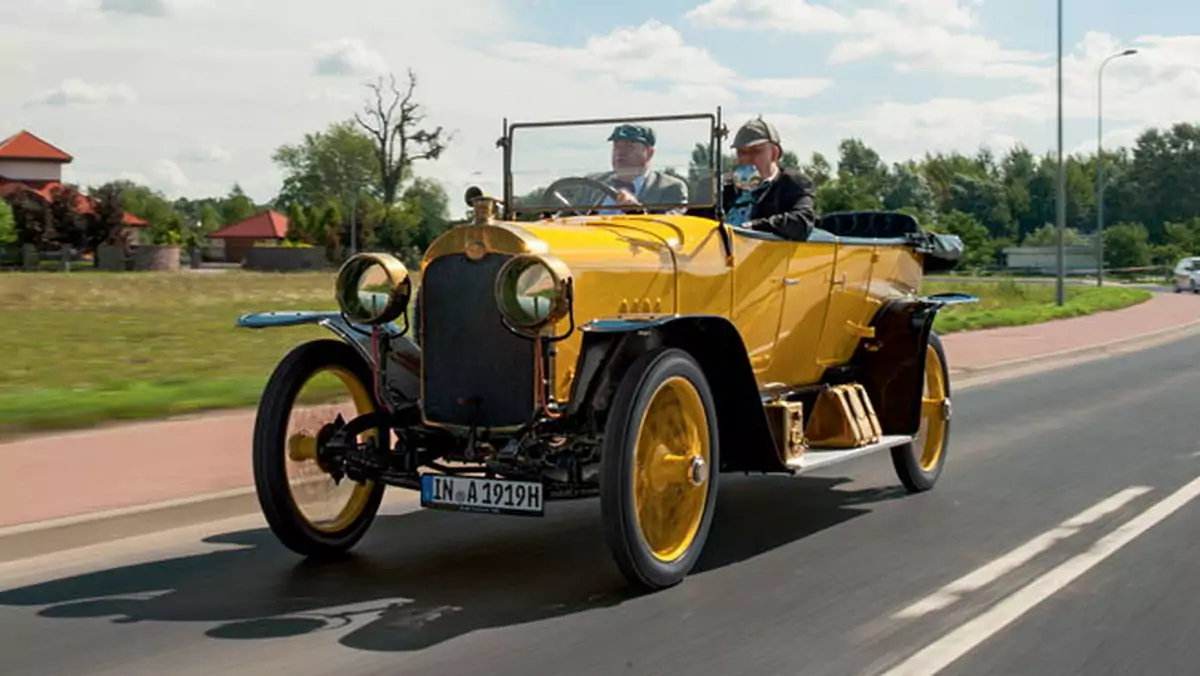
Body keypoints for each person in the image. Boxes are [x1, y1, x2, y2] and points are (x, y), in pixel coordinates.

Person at [722, 116, 816, 240]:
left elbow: (802, 222)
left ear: (774, 153)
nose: (747, 159)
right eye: (742, 152)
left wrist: (755, 226)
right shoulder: (723, 186)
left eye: (756, 151)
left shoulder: (792, 183)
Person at [590, 123, 689, 214]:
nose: (620, 153)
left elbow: (666, 227)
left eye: (629, 147)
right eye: (616, 147)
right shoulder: (592, 183)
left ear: (649, 153)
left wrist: (636, 210)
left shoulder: (670, 188)